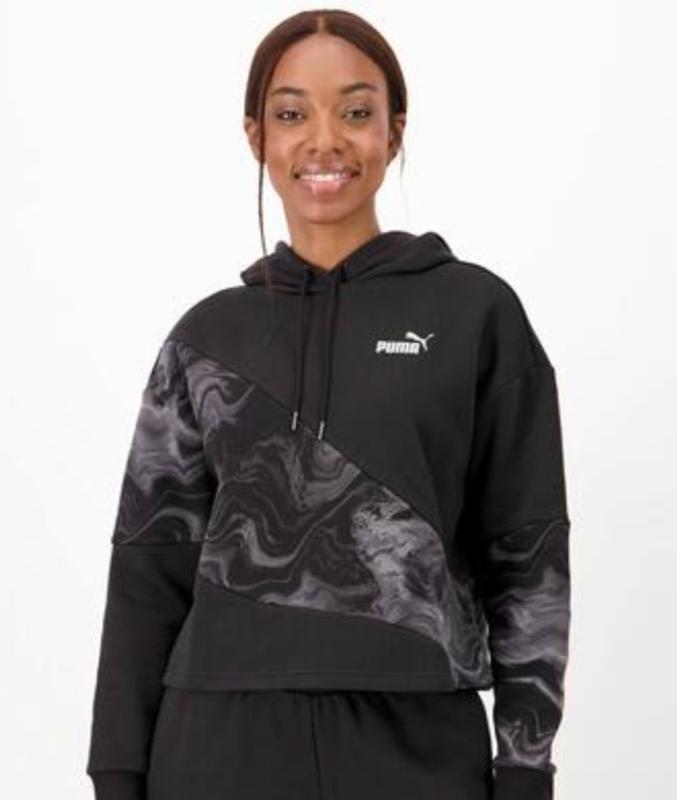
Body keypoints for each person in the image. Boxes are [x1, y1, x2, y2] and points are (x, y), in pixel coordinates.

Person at [85, 8, 571, 800]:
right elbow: (147, 567)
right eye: (290, 114)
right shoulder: (205, 338)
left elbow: (527, 554)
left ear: (393, 131)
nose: (323, 141)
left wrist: (525, 766)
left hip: (415, 738)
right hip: (214, 742)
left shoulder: (475, 314)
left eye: (354, 111)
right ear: (255, 137)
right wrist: (116, 771)